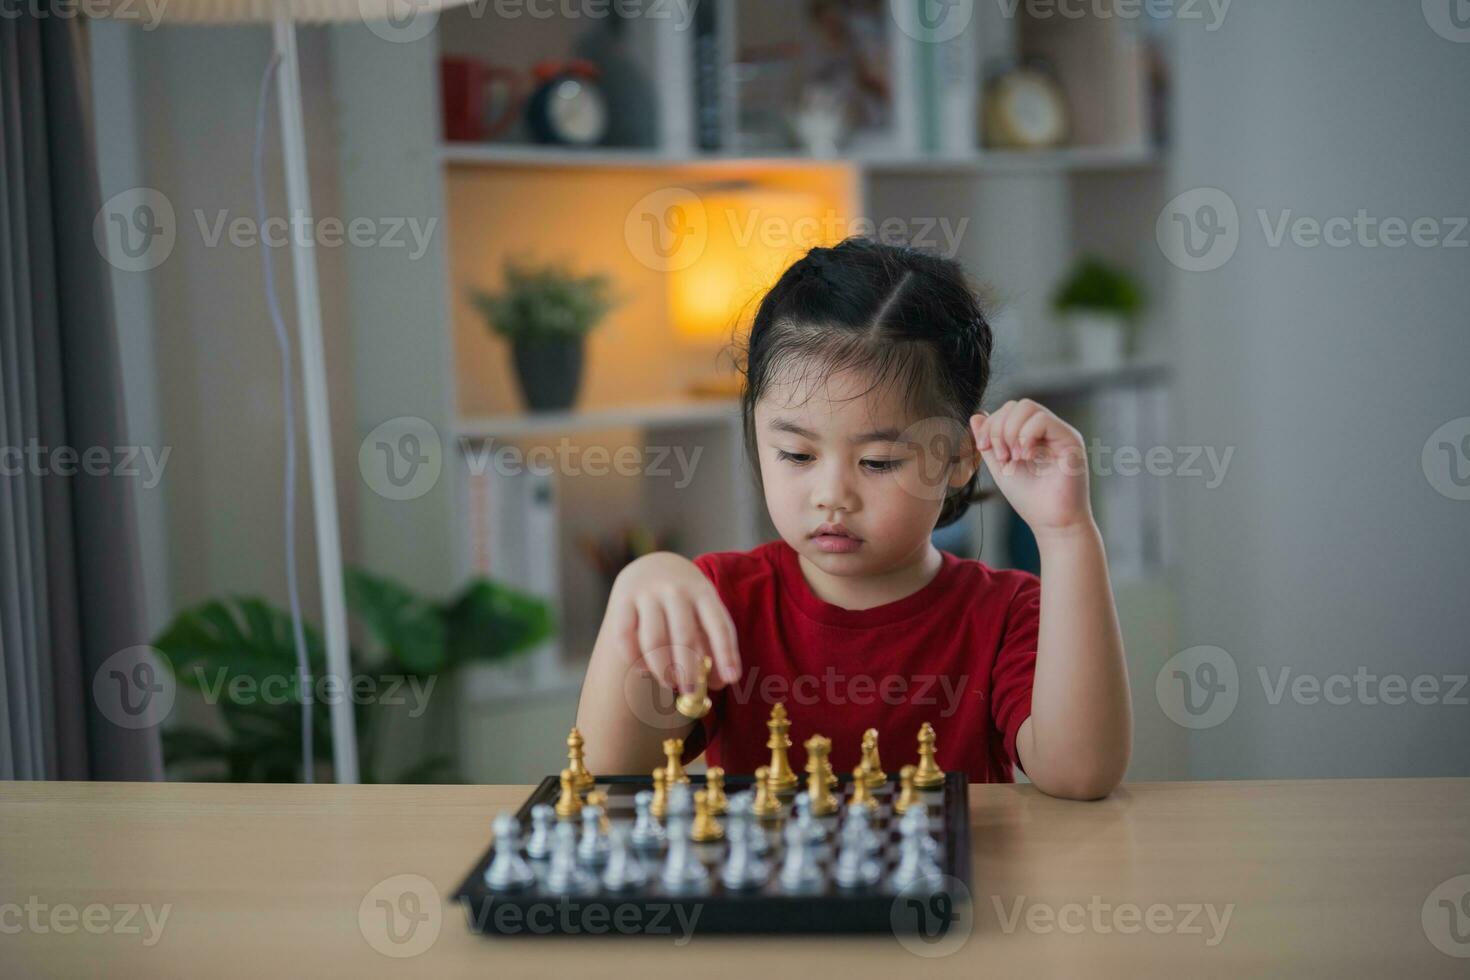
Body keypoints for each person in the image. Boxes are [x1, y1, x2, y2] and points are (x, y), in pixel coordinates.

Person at [576, 238, 1131, 799]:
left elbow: (1080, 772)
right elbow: (609, 776)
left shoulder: (1007, 615)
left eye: (878, 462)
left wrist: (1065, 534)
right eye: (797, 455)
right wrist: (637, 584)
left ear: (961, 457)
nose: (832, 496)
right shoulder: (718, 601)